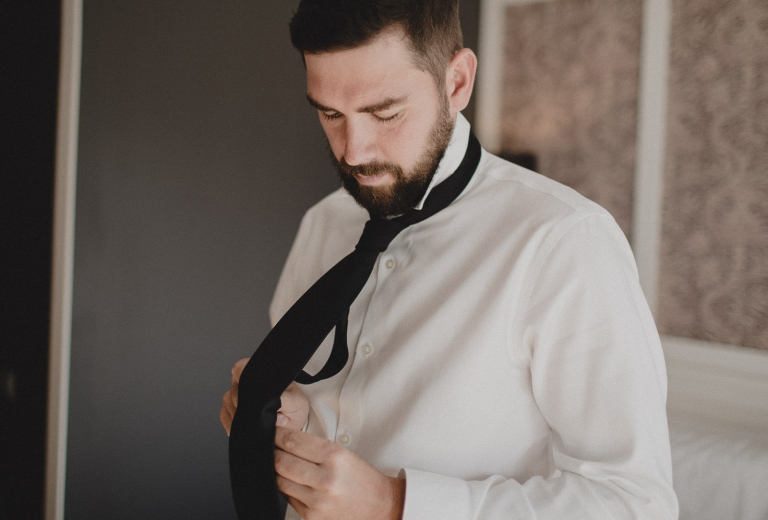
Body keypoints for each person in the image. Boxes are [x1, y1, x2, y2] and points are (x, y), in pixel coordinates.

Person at [220, 1, 679, 519]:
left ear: (457, 81)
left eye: (384, 113)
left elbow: (635, 504)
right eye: (330, 114)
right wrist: (292, 419)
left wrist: (397, 505)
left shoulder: (565, 243)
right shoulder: (324, 224)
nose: (353, 151)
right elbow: (338, 417)